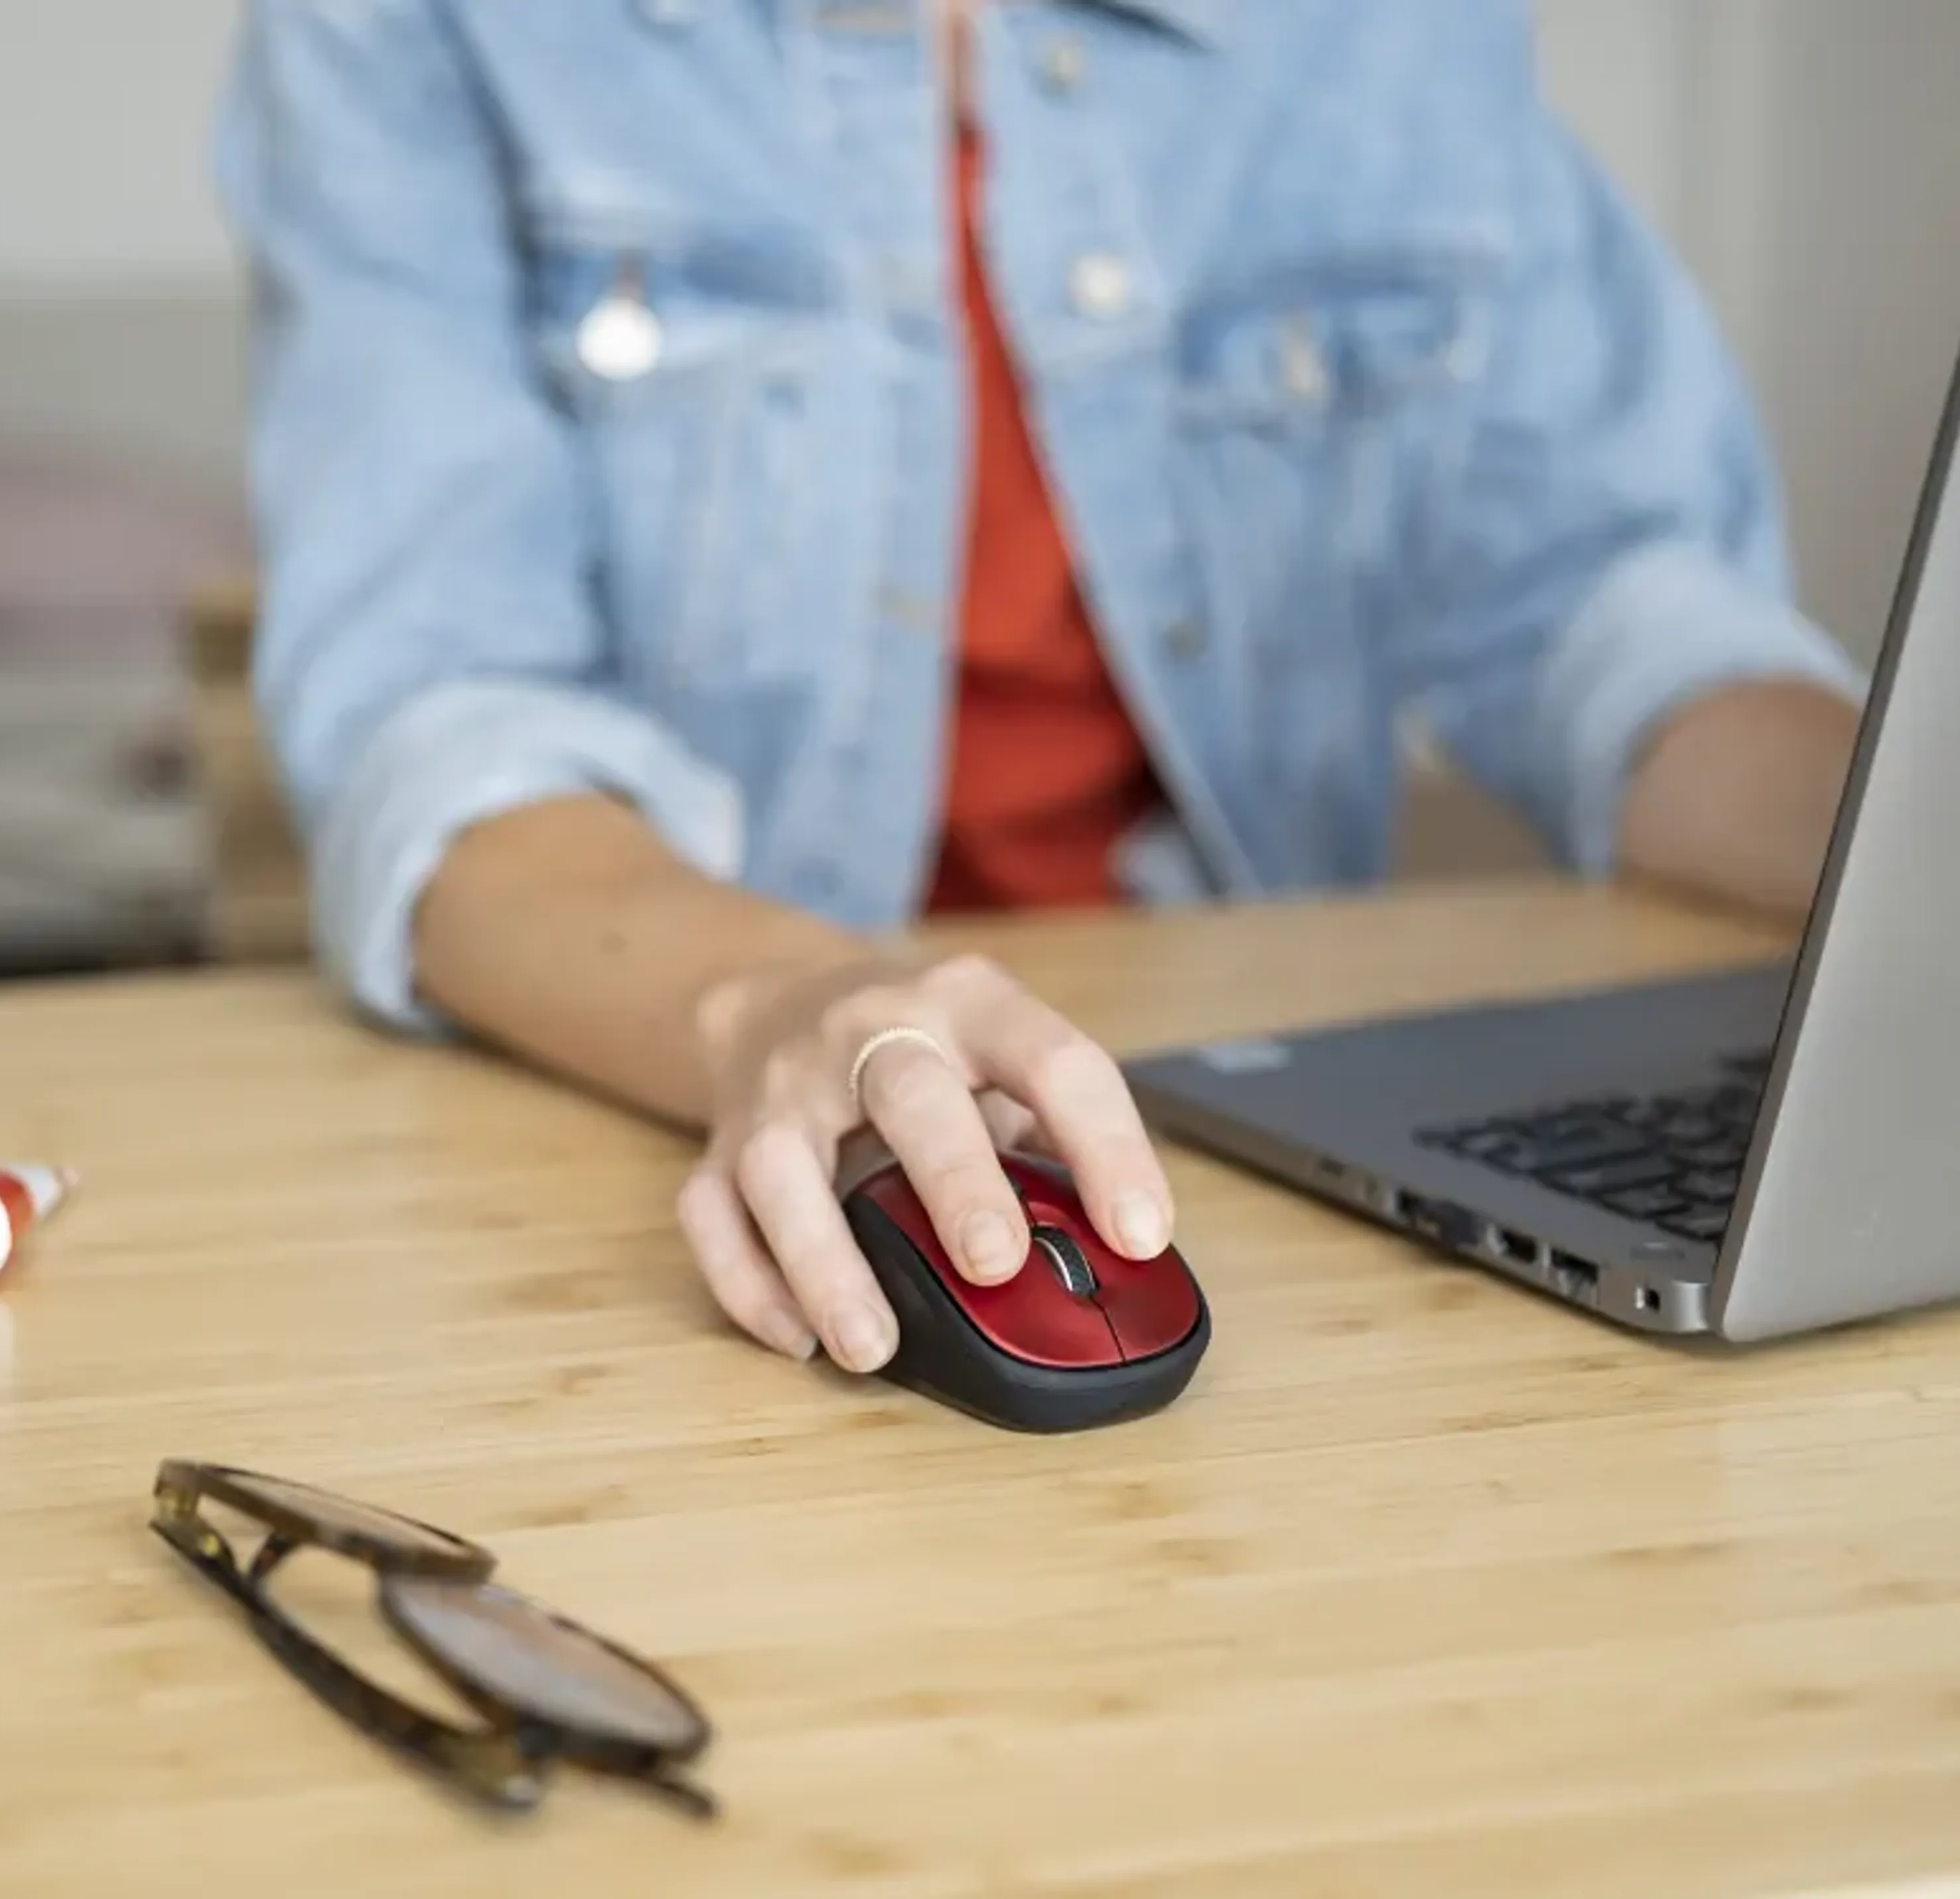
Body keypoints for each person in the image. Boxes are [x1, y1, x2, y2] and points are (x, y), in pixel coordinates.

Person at [213, 0, 1866, 1377]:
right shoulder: (424, 29)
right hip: (695, 1076)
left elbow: (1603, 597)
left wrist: (1897, 850)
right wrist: (778, 1009)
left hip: (1243, 1134)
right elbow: (442, 726)